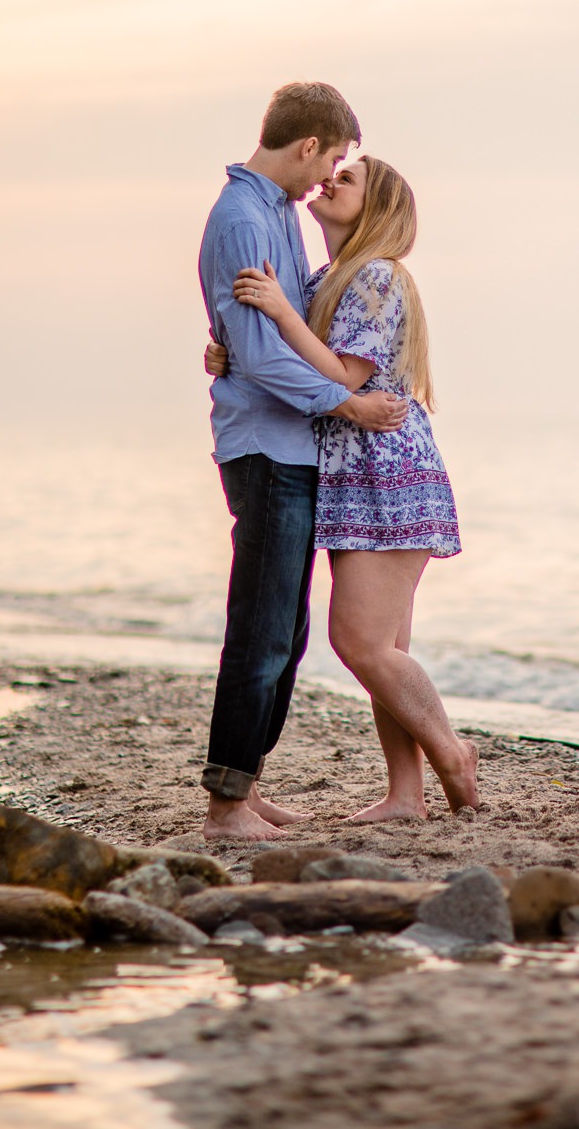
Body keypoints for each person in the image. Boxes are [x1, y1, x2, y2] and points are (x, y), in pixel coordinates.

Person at [206, 155, 479, 820]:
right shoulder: (334, 278)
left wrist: (278, 309)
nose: (330, 181)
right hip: (356, 477)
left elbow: (345, 375)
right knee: (386, 647)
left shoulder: (377, 278)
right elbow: (298, 363)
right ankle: (406, 795)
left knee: (360, 644)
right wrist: (232, 354)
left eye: (346, 179)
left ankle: (451, 750)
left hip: (386, 475)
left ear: (376, 208)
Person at [196, 82, 410, 841]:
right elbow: (259, 355)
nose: (329, 177)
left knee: (285, 631)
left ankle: (245, 787)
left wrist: (228, 351)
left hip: (292, 445)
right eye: (336, 160)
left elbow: (279, 333)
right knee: (260, 626)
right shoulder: (243, 217)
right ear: (309, 144)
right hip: (265, 444)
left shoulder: (278, 215)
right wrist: (348, 404)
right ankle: (226, 803)